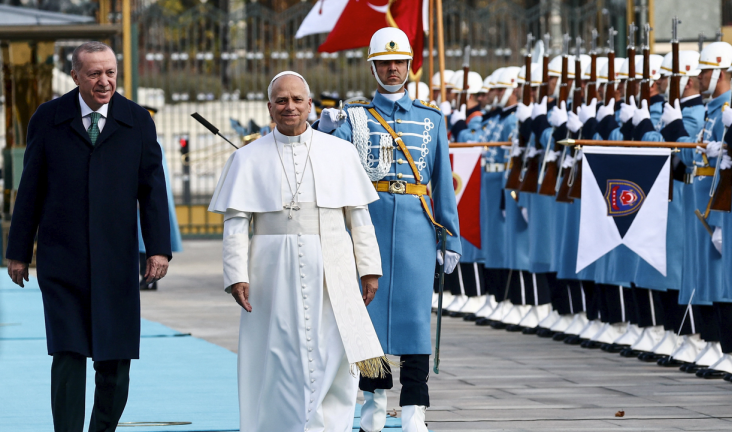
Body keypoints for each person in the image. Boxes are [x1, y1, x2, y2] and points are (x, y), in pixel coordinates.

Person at [6, 41, 172, 432]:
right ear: (75, 76)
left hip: (116, 260)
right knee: (68, 353)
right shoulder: (48, 118)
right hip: (61, 258)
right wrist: (18, 251)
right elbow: (30, 188)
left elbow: (152, 189)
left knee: (115, 359)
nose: (104, 81)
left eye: (110, 72)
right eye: (94, 73)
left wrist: (158, 249)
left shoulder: (137, 119)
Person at [209, 71, 387, 431]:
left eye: (296, 100)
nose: (289, 106)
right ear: (269, 107)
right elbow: (236, 222)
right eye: (281, 100)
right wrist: (236, 275)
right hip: (271, 270)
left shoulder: (340, 152)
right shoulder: (247, 157)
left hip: (332, 266)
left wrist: (369, 269)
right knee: (279, 355)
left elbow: (359, 217)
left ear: (310, 105)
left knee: (333, 351)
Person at [319, 27, 461, 432]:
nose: (392, 68)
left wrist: (450, 236)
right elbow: (327, 156)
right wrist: (324, 127)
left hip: (417, 229)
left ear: (410, 64)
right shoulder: (355, 116)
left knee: (416, 321)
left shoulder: (432, 118)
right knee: (370, 319)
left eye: (399, 61)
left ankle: (415, 406)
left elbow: (443, 183)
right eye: (384, 62)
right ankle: (374, 401)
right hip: (371, 225)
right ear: (373, 68)